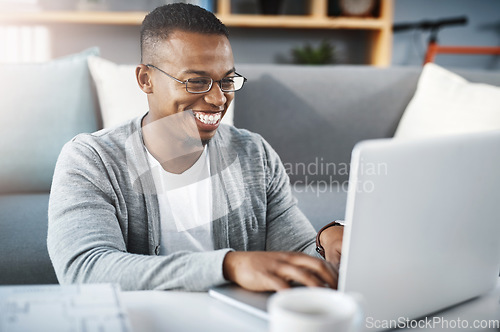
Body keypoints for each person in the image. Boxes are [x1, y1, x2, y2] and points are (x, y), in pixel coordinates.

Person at [47, 3, 344, 292]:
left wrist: (326, 240)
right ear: (145, 79)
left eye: (226, 81)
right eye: (197, 82)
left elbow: (296, 255)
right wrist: (228, 266)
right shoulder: (90, 159)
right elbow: (85, 269)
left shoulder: (256, 153)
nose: (218, 99)